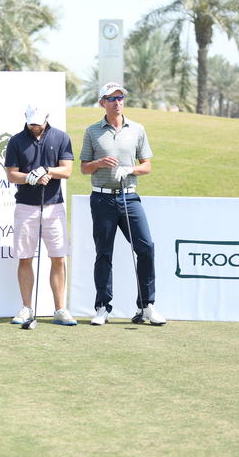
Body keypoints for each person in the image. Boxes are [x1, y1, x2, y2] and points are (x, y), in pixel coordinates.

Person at [79, 82, 166, 326]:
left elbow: (147, 165)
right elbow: (84, 168)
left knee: (146, 247)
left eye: (120, 98)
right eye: (111, 98)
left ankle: (146, 305)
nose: (117, 102)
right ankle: (102, 307)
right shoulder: (92, 131)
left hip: (129, 197)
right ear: (102, 103)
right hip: (102, 198)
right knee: (104, 253)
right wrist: (98, 163)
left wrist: (130, 169)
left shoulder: (137, 129)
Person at [5, 104, 77, 326]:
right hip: (26, 206)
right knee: (25, 257)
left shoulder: (61, 137)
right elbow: (11, 175)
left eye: (38, 123)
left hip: (54, 206)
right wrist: (30, 177)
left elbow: (67, 170)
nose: (35, 127)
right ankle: (26, 308)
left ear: (47, 118)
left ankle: (60, 309)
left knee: (58, 257)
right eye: (31, 123)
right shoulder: (16, 141)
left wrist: (47, 171)